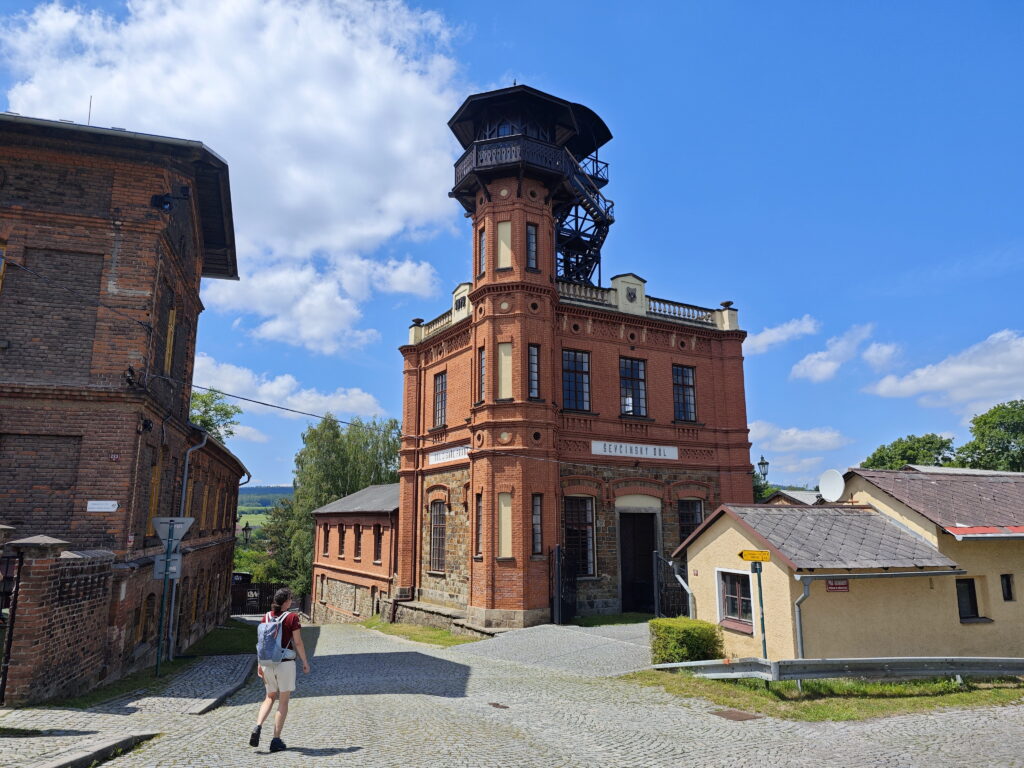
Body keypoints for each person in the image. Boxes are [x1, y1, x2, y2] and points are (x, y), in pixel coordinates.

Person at [250, 588, 310, 752]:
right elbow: (297, 642)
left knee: (269, 697)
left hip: (266, 663)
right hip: (285, 663)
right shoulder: (291, 617)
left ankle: (257, 726)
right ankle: (276, 740)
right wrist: (305, 661)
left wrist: (259, 664)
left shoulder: (266, 616)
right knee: (283, 701)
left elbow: (261, 643)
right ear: (285, 602)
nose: (291, 602)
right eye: (290, 599)